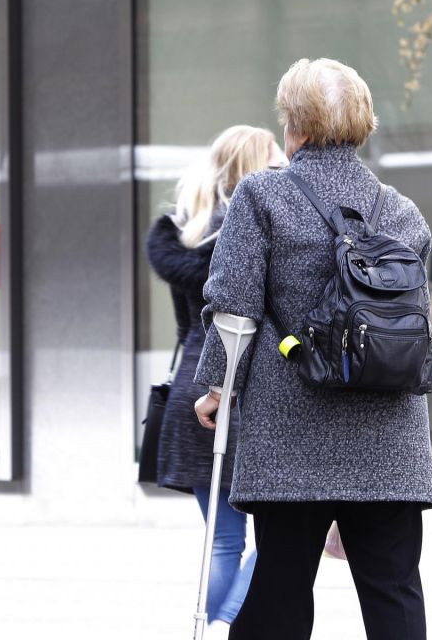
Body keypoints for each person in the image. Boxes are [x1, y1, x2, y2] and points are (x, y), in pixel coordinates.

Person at [194, 58, 432, 640]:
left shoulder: (263, 197)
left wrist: (215, 389)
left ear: (294, 127)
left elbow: (234, 311)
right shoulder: (402, 212)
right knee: (394, 592)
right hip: (390, 442)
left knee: (280, 589)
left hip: (291, 437)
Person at [146, 125, 287, 636]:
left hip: (190, 388)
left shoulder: (189, 232)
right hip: (240, 390)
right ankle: (230, 622)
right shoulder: (253, 233)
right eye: (274, 163)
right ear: (257, 167)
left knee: (223, 540)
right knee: (283, 538)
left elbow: (188, 329)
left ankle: (207, 629)